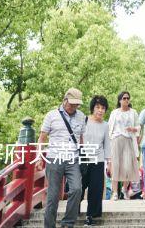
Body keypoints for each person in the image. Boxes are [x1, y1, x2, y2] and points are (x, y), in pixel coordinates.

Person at [38, 88, 86, 228]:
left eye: (77, 104)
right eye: (72, 104)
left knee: (77, 189)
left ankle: (68, 223)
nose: (74, 107)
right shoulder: (51, 115)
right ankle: (49, 225)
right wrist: (39, 157)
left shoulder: (81, 116)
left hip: (73, 159)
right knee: (53, 196)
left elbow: (81, 138)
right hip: (55, 159)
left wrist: (83, 155)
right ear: (65, 100)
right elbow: (42, 138)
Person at [82, 95, 111, 225]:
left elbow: (107, 144)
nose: (100, 110)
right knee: (79, 187)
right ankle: (74, 210)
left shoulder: (105, 125)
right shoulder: (84, 120)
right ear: (93, 108)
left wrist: (109, 163)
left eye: (103, 108)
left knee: (96, 188)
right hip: (82, 158)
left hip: (98, 159)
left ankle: (90, 215)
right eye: (97, 107)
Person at [107, 91, 139, 200]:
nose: (126, 100)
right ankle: (115, 192)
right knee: (115, 166)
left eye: (128, 98)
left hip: (128, 140)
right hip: (116, 140)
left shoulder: (133, 112)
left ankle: (124, 189)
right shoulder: (114, 112)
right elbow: (109, 128)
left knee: (127, 167)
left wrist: (133, 129)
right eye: (124, 98)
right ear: (120, 100)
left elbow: (138, 127)